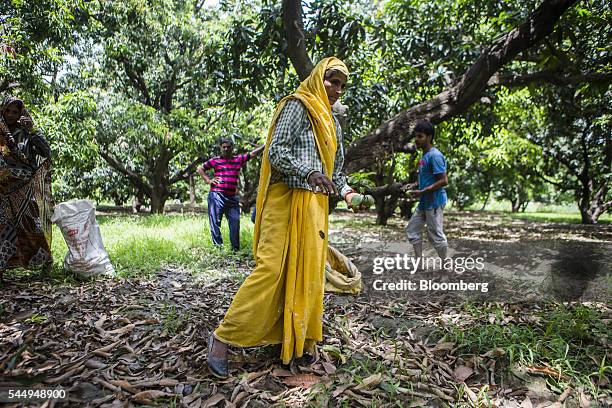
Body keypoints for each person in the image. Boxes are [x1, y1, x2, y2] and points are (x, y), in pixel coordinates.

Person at [207, 57, 365, 378]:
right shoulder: (297, 106)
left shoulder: (332, 122)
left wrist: (348, 193)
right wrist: (308, 172)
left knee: (307, 273)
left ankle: (300, 341)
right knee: (270, 269)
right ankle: (222, 339)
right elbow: (275, 151)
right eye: (332, 80)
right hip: (285, 199)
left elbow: (337, 172)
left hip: (314, 207)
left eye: (342, 85)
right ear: (318, 77)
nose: (336, 89)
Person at [0, 96, 53, 281]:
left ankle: (45, 262)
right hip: (3, 190)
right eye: (8, 110)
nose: (11, 115)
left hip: (23, 188)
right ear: (2, 110)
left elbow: (46, 152)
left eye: (16, 111)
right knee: (4, 228)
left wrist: (32, 129)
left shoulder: (26, 133)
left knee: (32, 226)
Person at [197, 138, 264, 251]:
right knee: (215, 221)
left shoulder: (238, 159)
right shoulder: (215, 160)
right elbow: (200, 169)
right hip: (217, 195)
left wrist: (266, 144)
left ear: (232, 148)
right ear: (221, 148)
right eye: (224, 147)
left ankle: (235, 249)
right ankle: (218, 248)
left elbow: (253, 154)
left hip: (232, 197)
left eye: (228, 147)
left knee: (235, 221)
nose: (226, 149)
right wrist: (209, 180)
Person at [405, 120, 449, 266]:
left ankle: (446, 266)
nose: (416, 140)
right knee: (412, 229)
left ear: (429, 137)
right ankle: (419, 263)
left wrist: (423, 191)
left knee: (435, 234)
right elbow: (427, 178)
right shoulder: (424, 157)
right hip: (424, 202)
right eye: (416, 136)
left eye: (420, 136)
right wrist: (415, 184)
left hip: (434, 201)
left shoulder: (435, 156)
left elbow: (443, 180)